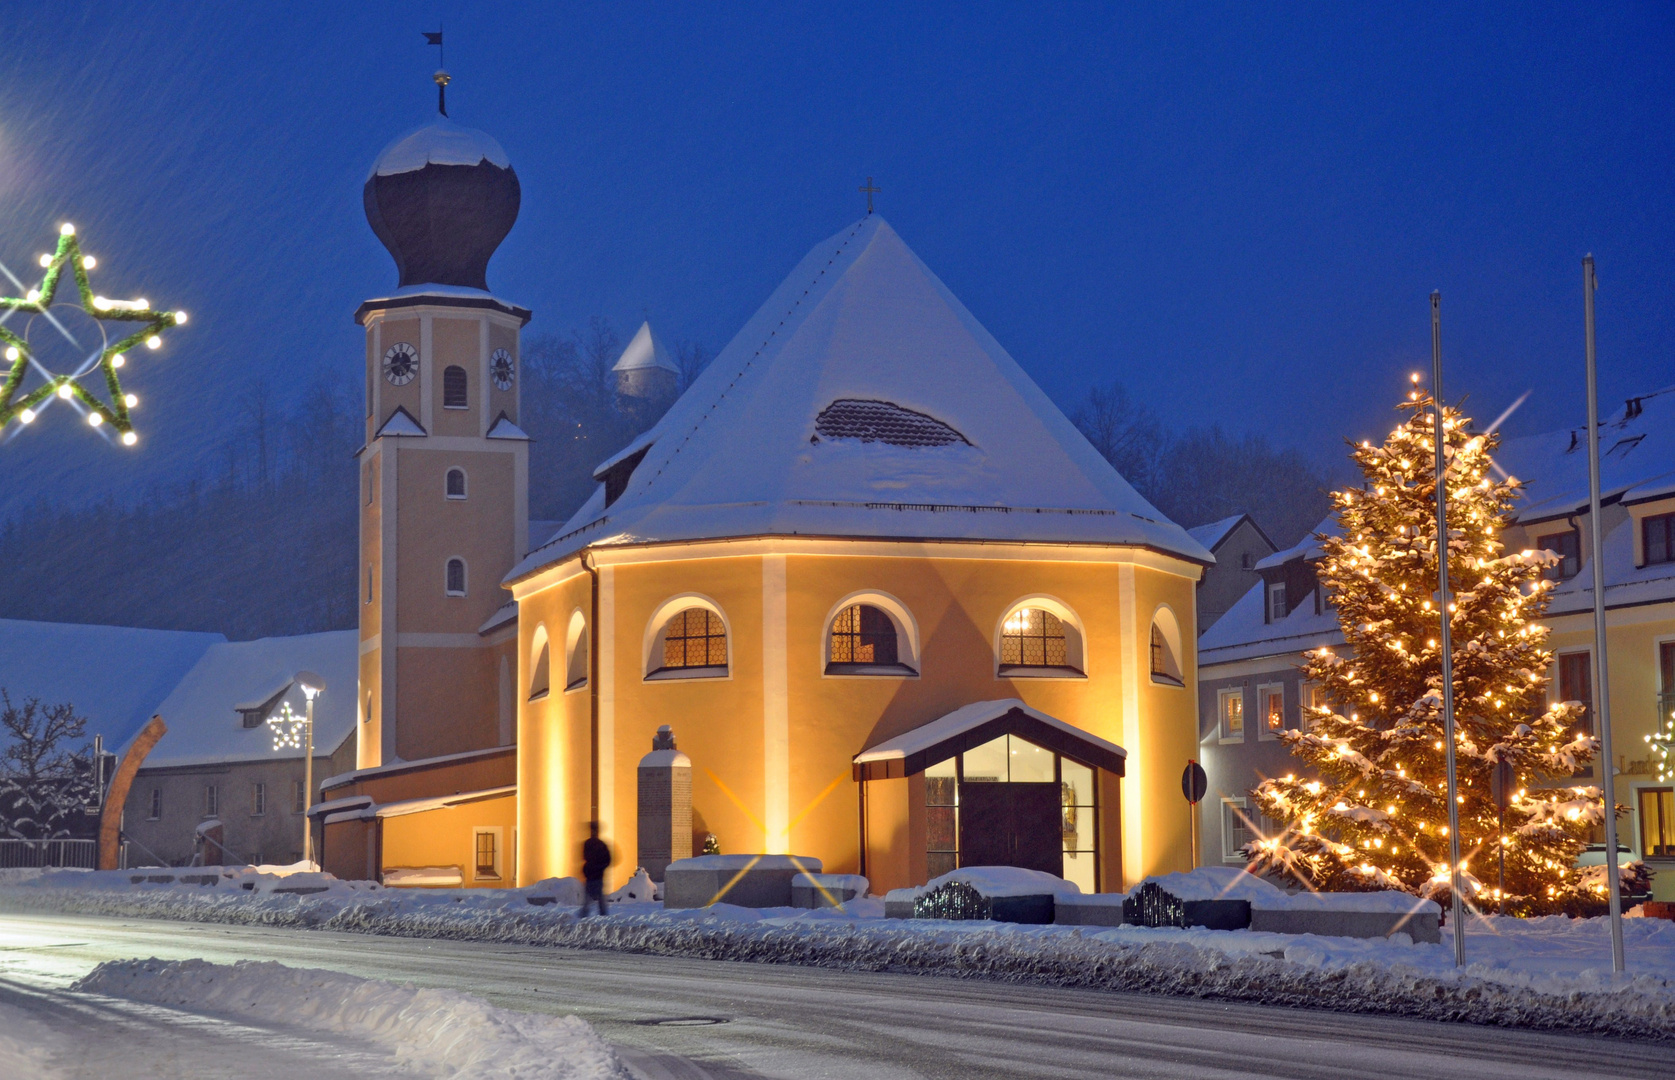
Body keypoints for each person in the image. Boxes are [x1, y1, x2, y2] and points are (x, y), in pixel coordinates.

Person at [579, 821, 611, 917]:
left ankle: (585, 916)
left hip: (593, 875)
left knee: (590, 899)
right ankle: (602, 915)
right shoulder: (600, 844)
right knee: (597, 899)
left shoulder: (589, 844)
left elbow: (585, 857)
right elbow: (607, 860)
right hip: (595, 875)